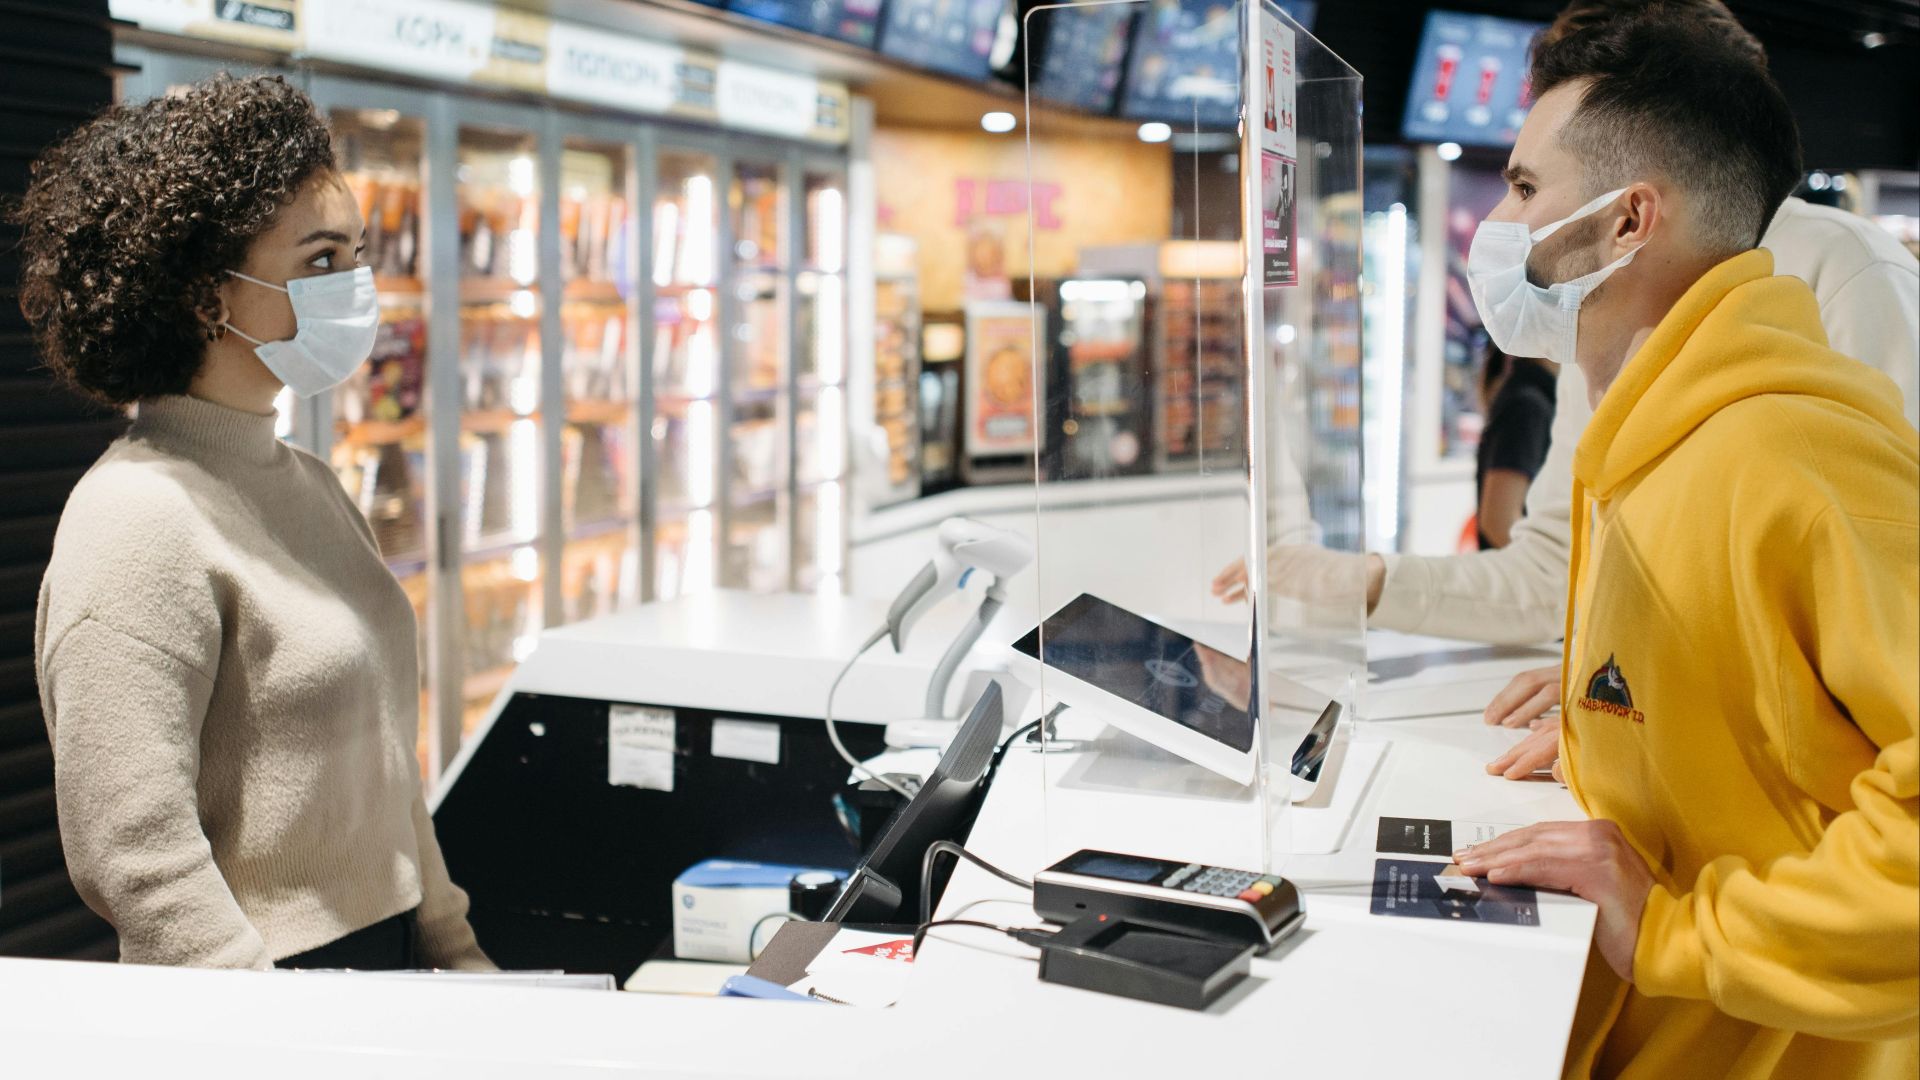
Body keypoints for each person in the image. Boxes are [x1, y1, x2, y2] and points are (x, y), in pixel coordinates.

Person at [1435, 4, 1918, 1076]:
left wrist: (1680, 932)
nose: (1499, 223)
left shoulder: (1795, 453)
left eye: (1524, 189)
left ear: (1626, 221)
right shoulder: (1658, 439)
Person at [20, 75, 492, 971]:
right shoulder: (134, 518)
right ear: (206, 294)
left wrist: (453, 949)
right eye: (321, 261)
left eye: (358, 253)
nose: (357, 287)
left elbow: (386, 774)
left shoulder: (310, 485)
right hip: (266, 1000)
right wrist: (265, 1028)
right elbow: (137, 857)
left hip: (385, 973)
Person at [1354, 1, 1920, 653]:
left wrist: (1654, 701)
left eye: (1527, 188)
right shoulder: (1599, 313)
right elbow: (1560, 569)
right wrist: (1366, 585)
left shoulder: (1844, 270)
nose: (1499, 217)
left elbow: (1886, 582)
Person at [1473, 342, 1557, 549]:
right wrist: (1549, 574)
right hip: (1518, 577)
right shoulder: (1528, 406)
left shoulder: (1528, 398)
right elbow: (1499, 522)